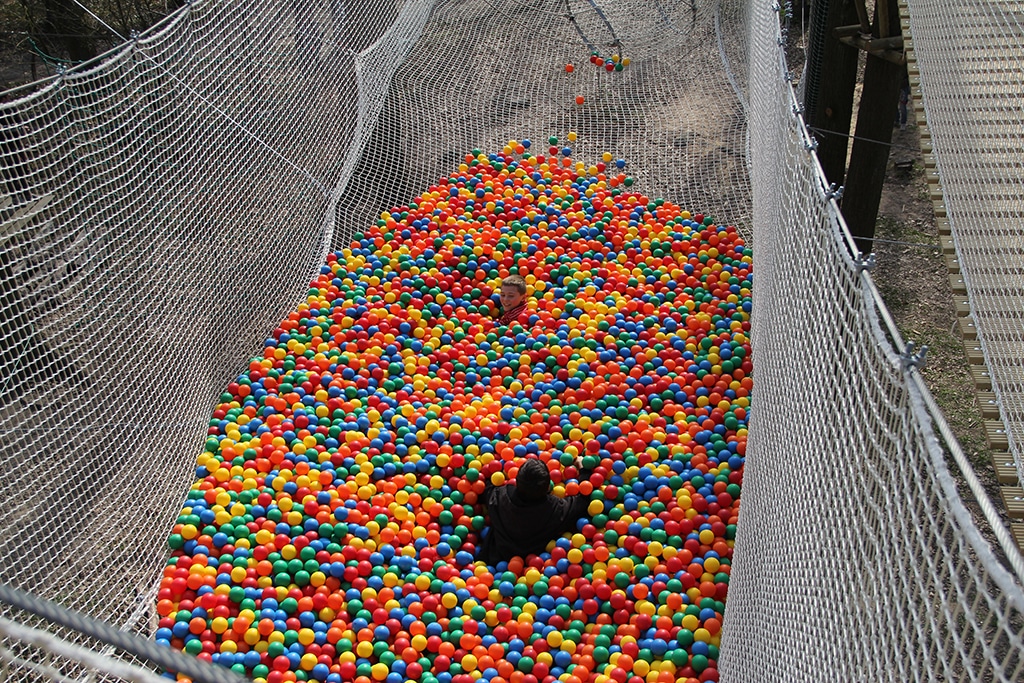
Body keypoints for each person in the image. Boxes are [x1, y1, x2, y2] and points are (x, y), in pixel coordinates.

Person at [479, 457, 592, 565]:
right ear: (548, 487)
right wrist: (584, 469)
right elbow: (583, 501)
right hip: (536, 565)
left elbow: (484, 487)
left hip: (493, 561)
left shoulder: (498, 496)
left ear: (516, 482)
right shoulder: (556, 509)